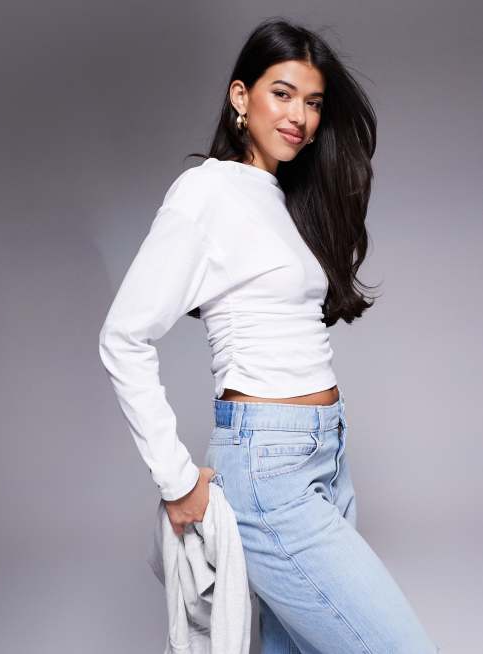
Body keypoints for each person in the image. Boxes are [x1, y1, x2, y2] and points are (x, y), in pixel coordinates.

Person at [98, 17, 441, 654]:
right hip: (267, 468)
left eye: (313, 102)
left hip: (327, 455)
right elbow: (123, 336)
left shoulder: (283, 198)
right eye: (282, 93)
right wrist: (176, 479)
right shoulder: (206, 191)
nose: (300, 117)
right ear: (241, 96)